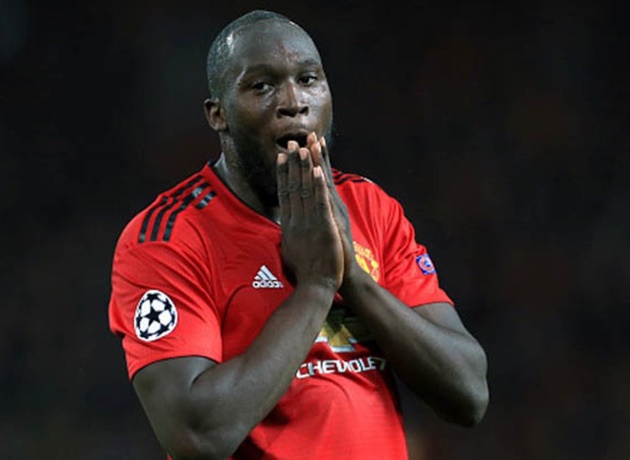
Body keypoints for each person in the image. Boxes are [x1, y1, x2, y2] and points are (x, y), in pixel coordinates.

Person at [108, 9, 489, 460]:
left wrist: (355, 279)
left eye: (308, 79)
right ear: (218, 115)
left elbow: (469, 394)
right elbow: (197, 436)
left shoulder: (371, 208)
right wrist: (316, 287)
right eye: (261, 86)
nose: (293, 101)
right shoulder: (167, 238)